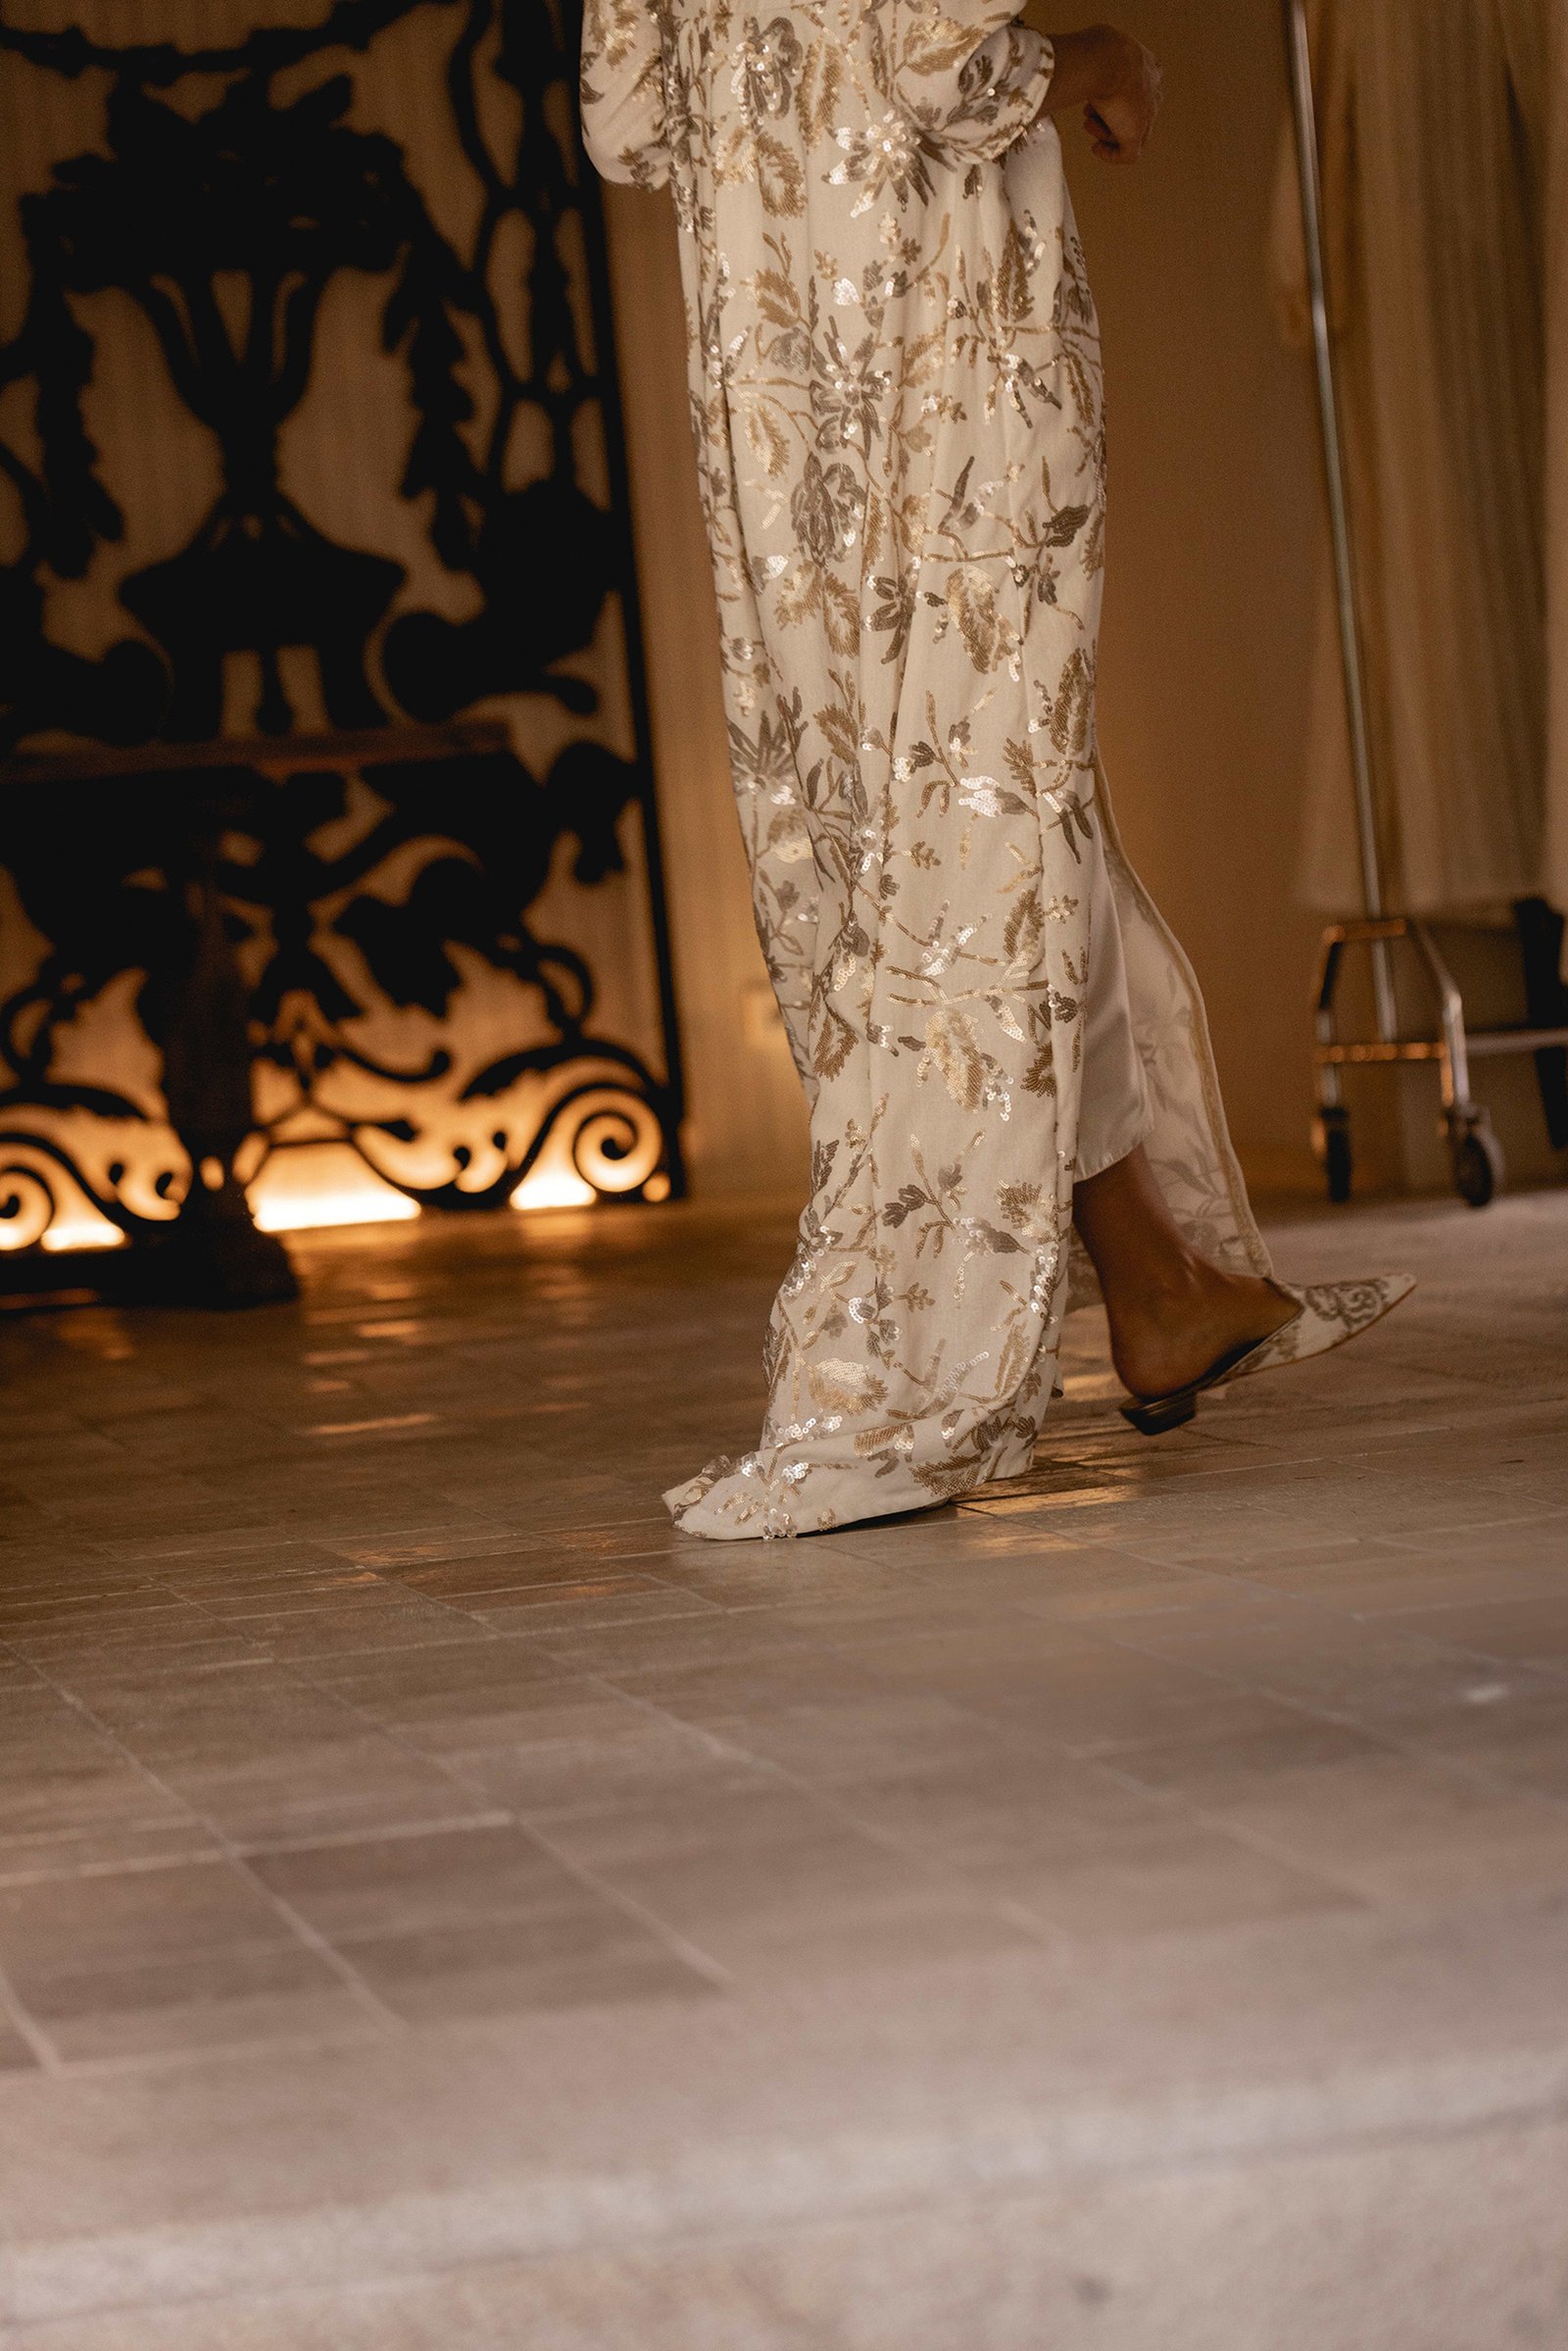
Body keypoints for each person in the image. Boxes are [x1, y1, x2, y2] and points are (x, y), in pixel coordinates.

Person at [580, 4, 1411, 1539]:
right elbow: (948, 66)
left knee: (939, 818)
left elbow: (625, 121)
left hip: (773, 380)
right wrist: (1101, 57)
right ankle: (931, 1356)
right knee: (985, 798)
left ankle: (1157, 1278)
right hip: (941, 344)